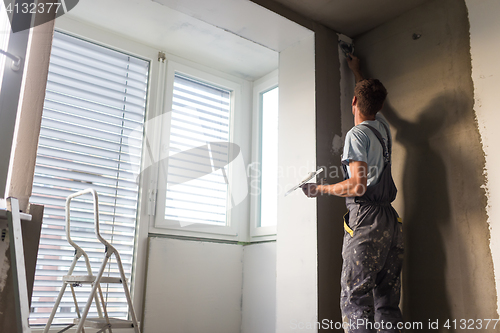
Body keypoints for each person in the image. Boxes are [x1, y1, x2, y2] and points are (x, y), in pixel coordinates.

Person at [302, 55, 404, 333]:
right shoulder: (381, 128)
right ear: (379, 106)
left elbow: (357, 185)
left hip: (367, 222)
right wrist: (357, 71)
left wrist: (318, 189)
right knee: (387, 302)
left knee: (355, 299)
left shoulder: (356, 135)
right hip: (390, 223)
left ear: (353, 102)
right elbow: (369, 100)